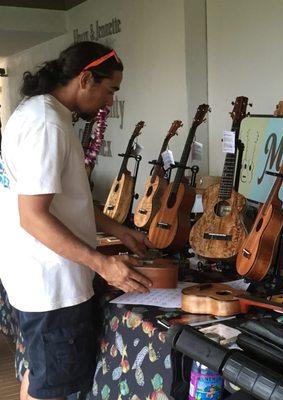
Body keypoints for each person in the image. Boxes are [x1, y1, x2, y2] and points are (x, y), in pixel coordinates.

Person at [0, 41, 153, 400]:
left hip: (35, 279)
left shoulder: (34, 111)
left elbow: (65, 200)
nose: (110, 102)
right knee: (51, 389)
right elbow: (33, 217)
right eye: (110, 89)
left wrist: (120, 231)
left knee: (40, 378)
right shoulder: (47, 125)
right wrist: (103, 264)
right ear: (86, 79)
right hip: (52, 286)